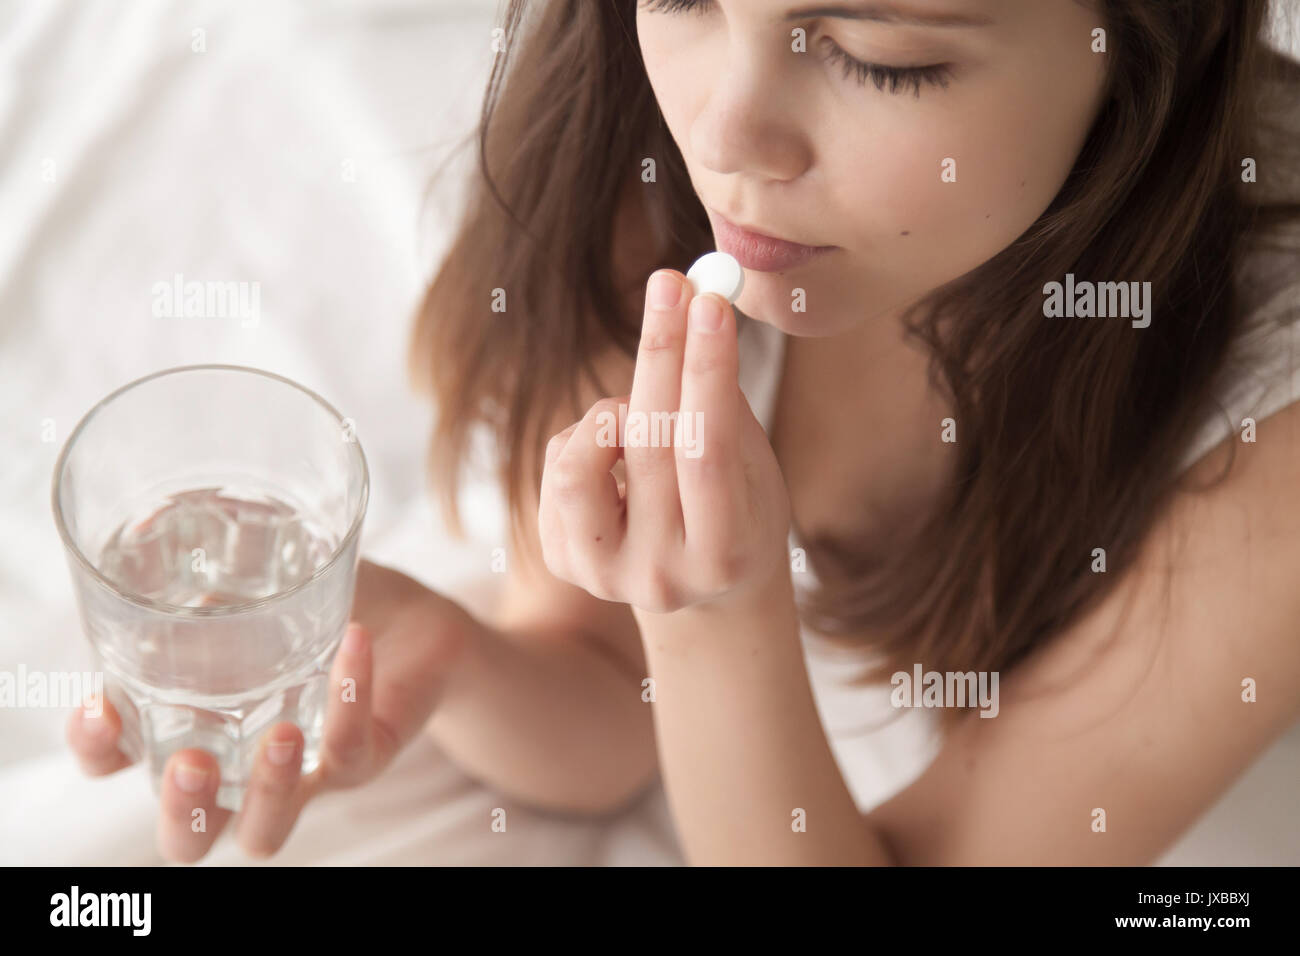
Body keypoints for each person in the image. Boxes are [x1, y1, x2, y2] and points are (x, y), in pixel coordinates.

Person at [71, 0, 1300, 865]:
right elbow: (614, 699)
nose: (724, 135)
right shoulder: (642, 157)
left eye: (880, 57)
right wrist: (448, 650)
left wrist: (721, 621)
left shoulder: (1270, 430)